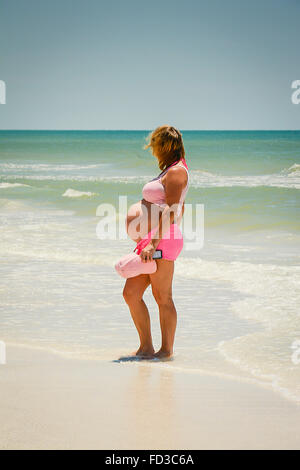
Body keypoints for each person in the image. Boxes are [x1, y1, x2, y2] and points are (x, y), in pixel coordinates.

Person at [123, 125, 189, 359]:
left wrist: (152, 243)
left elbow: (171, 211)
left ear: (164, 146)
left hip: (162, 240)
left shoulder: (177, 172)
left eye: (154, 146)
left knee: (163, 297)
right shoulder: (168, 170)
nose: (153, 151)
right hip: (151, 240)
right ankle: (146, 347)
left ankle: (166, 350)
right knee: (131, 293)